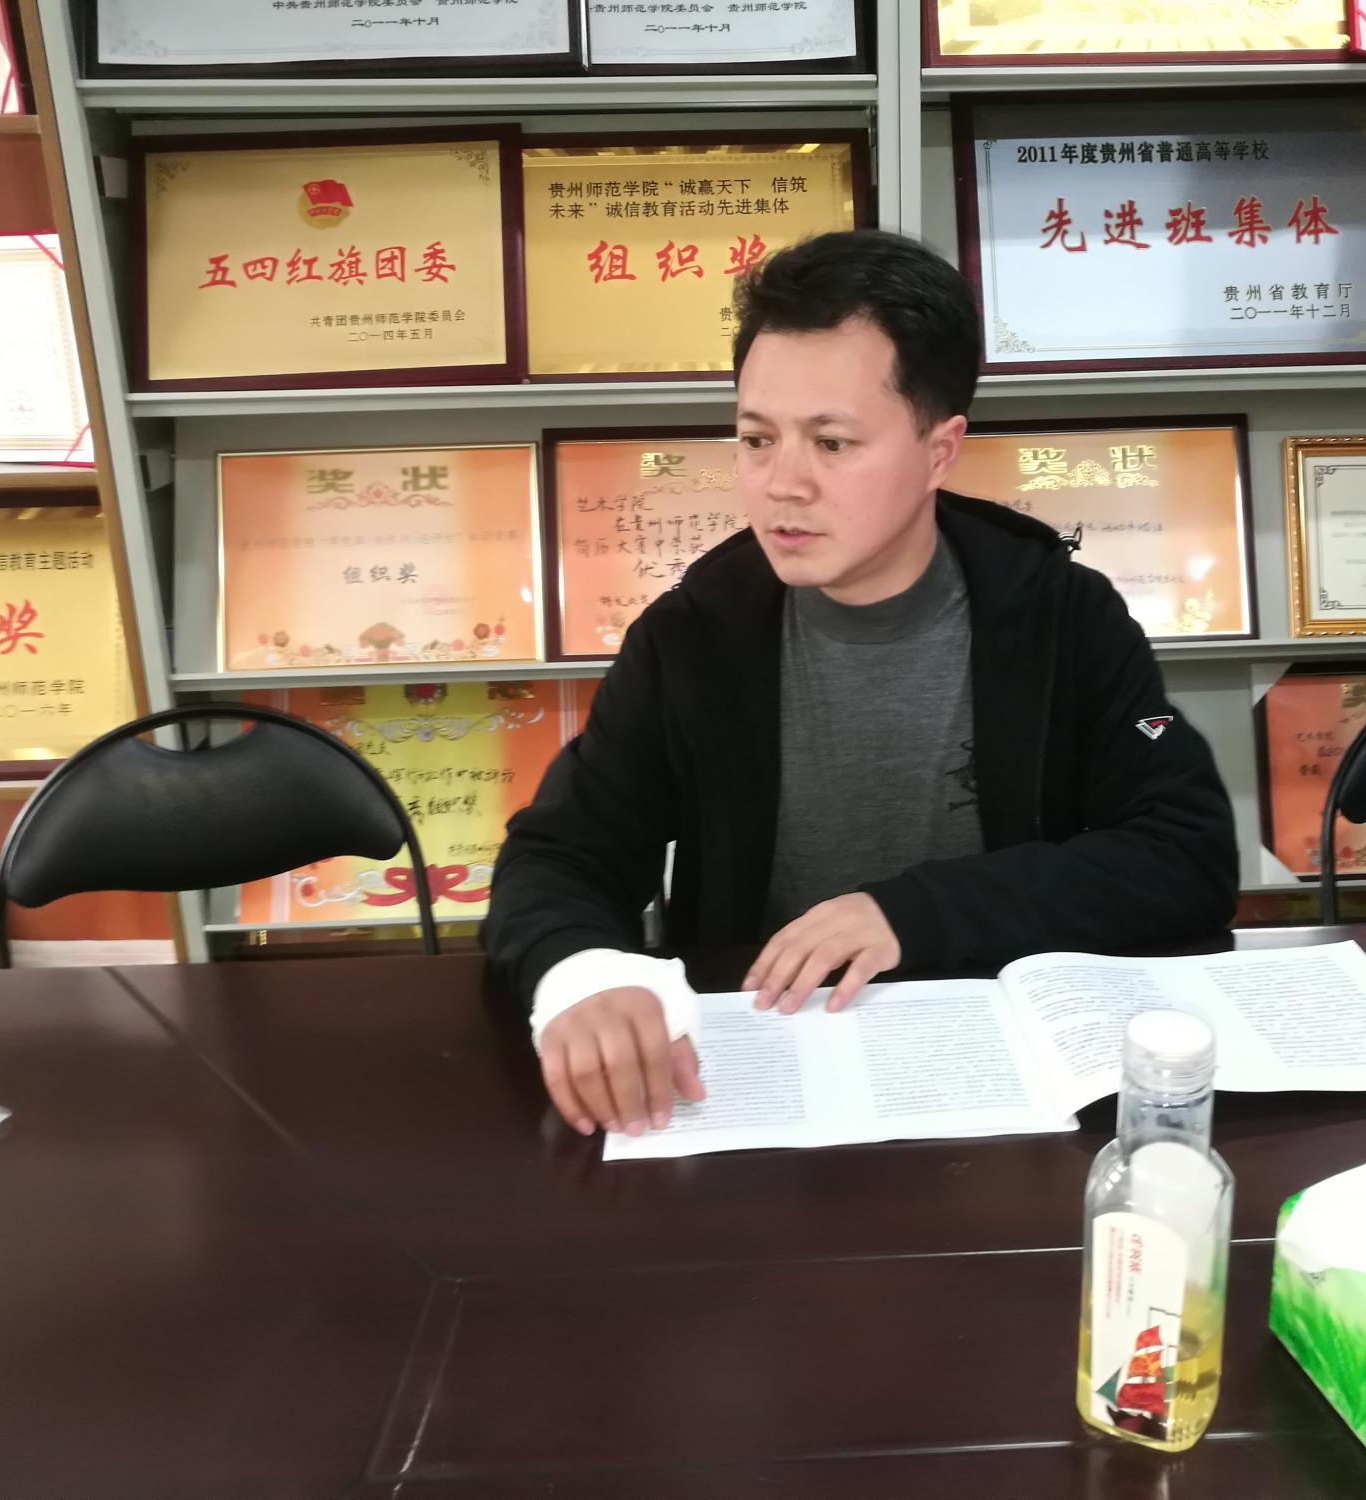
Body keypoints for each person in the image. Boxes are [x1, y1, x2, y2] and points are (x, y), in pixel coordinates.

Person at [484, 228, 1238, 1137]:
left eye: (832, 443)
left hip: (1006, 1074)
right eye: (756, 440)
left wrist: (914, 913)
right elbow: (563, 855)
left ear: (940, 451)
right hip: (760, 1071)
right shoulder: (695, 636)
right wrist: (581, 973)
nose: (782, 485)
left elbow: (1184, 853)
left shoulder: (1059, 616)